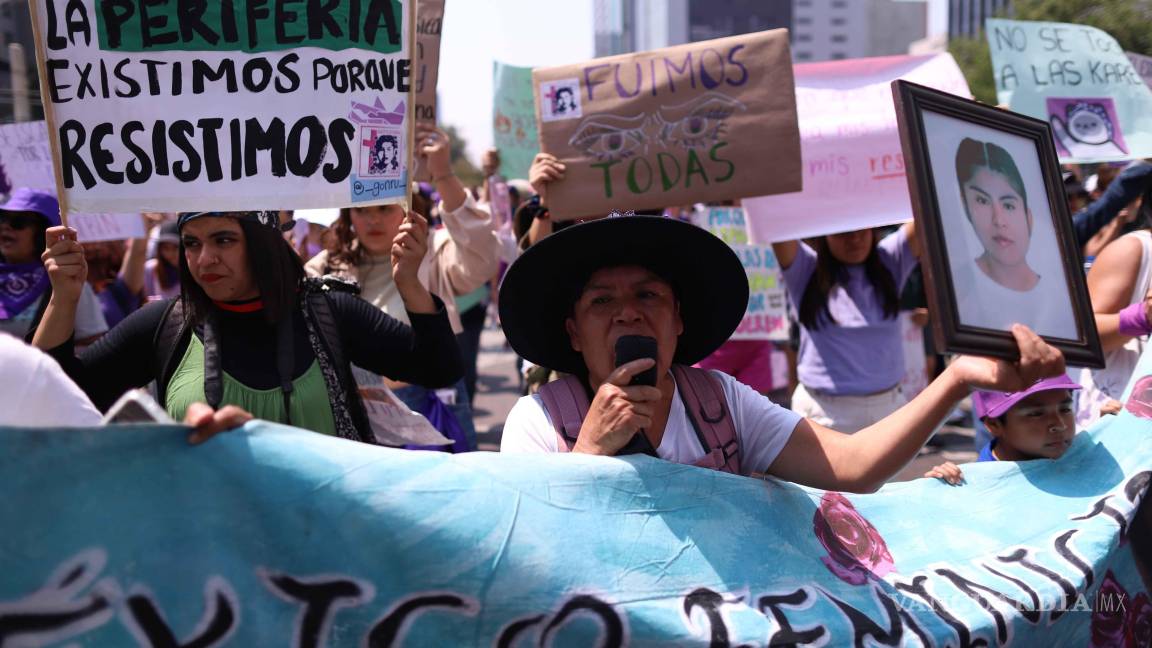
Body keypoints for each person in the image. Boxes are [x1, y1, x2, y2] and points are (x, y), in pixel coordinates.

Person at [499, 215, 1064, 492]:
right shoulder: (537, 422)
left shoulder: (722, 404)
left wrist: (960, 378)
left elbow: (854, 467)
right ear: (573, 332)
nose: (627, 312)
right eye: (602, 300)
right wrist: (590, 451)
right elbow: (528, 550)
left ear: (678, 321)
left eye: (648, 294)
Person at [33, 208, 462, 444]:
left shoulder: (330, 313)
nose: (204, 260)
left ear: (261, 245)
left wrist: (410, 282)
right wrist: (64, 297)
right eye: (191, 243)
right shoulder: (164, 325)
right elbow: (53, 397)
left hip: (329, 561)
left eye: (223, 240)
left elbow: (439, 368)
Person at [306, 125, 499, 449]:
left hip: (432, 403)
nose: (373, 220)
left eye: (384, 208)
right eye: (362, 210)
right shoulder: (327, 266)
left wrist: (443, 173)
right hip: (357, 408)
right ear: (348, 214)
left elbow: (483, 258)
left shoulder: (433, 250)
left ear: (407, 208)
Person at [771, 225, 918, 433]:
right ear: (825, 235)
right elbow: (776, 223)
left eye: (863, 230)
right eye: (843, 232)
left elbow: (925, 215)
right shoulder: (805, 268)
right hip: (824, 415)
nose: (855, 239)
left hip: (889, 411)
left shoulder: (891, 260)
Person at [950, 138, 1078, 340]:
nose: (998, 220)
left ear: (1028, 216)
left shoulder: (1061, 296)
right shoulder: (958, 289)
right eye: (982, 201)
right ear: (966, 207)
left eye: (1009, 205)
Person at [924, 375, 1080, 484]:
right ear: (994, 425)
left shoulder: (1084, 456)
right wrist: (942, 490)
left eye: (1065, 409)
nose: (1060, 425)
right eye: (1036, 414)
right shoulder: (975, 485)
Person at [0, 188, 107, 343]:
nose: (6, 227)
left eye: (19, 222)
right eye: (2, 218)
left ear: (42, 232)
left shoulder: (67, 281)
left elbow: (91, 345)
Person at [144, 220, 182, 301]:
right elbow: (146, 298)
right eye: (166, 248)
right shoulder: (150, 269)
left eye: (175, 247)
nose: (170, 253)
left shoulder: (192, 269)